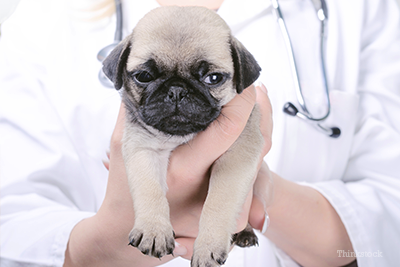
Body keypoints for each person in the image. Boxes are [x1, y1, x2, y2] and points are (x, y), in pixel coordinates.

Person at [1, 0, 400, 266]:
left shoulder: (362, 7)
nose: (176, 96)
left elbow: (389, 216)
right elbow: (12, 224)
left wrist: (260, 200)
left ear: (240, 73)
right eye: (145, 77)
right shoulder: (40, 21)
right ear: (119, 69)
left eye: (210, 77)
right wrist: (105, 241)